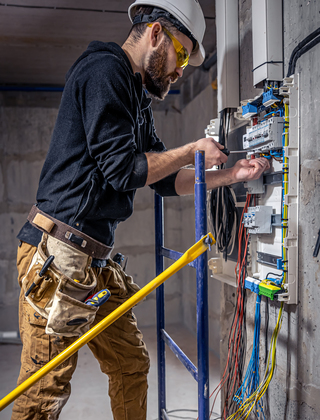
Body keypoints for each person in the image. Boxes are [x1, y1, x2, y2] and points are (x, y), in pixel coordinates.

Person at [12, 1, 270, 419]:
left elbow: (162, 180)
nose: (181, 69)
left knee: (132, 365)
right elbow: (122, 170)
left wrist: (230, 176)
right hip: (57, 258)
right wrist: (190, 150)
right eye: (181, 54)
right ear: (154, 34)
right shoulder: (104, 69)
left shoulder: (137, 97)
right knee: (44, 391)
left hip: (92, 261)